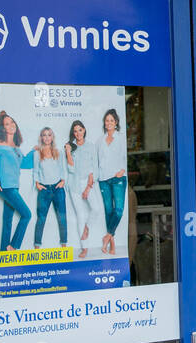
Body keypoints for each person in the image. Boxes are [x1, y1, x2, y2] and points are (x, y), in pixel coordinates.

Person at [0, 110, 33, 251]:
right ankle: (14, 247)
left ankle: (4, 250)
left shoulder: (16, 148)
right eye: (7, 124)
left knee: (7, 219)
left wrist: (35, 151)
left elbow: (24, 164)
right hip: (5, 187)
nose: (11, 125)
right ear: (3, 128)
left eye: (12, 122)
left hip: (14, 186)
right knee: (27, 215)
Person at [64, 119, 100, 260]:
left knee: (96, 209)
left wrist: (88, 187)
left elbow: (93, 168)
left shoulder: (91, 146)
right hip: (74, 184)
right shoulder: (70, 147)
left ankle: (87, 228)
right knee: (80, 215)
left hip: (87, 182)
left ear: (84, 130)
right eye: (75, 131)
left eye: (80, 130)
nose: (78, 133)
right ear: (73, 133)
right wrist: (68, 152)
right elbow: (71, 169)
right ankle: (84, 247)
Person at [96, 108, 128, 255]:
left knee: (119, 210)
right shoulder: (99, 141)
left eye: (111, 120)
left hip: (118, 177)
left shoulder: (121, 138)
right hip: (103, 179)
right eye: (106, 120)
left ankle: (107, 236)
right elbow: (97, 161)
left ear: (116, 123)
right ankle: (111, 245)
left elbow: (125, 157)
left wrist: (122, 170)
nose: (108, 123)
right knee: (109, 212)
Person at [31, 127, 68, 249]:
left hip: (58, 189)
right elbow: (36, 171)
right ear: (41, 137)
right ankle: (37, 246)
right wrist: (37, 183)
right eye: (44, 135)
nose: (47, 137)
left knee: (62, 217)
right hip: (44, 190)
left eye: (49, 135)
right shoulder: (37, 153)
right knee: (41, 218)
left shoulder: (58, 152)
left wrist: (63, 181)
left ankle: (64, 244)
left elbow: (62, 169)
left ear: (52, 137)